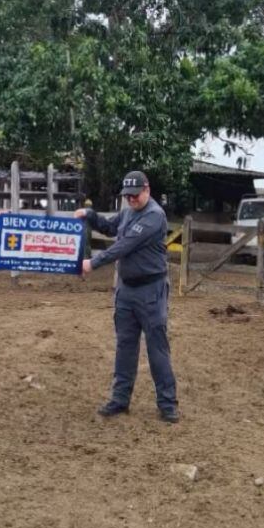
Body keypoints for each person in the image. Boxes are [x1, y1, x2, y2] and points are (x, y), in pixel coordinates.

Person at [74, 170, 179, 423]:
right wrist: (90, 215)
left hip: (151, 291)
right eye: (127, 196)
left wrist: (92, 263)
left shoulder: (154, 215)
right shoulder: (129, 211)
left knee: (157, 348)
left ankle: (167, 404)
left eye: (135, 195)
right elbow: (111, 227)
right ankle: (120, 400)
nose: (131, 199)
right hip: (126, 290)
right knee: (125, 346)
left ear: (147, 190)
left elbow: (124, 245)